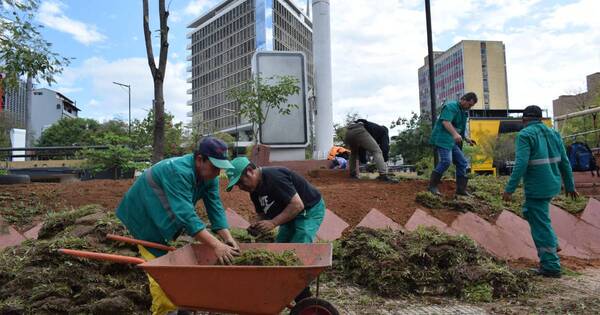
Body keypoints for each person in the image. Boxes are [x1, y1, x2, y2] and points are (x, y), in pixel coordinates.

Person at [115, 137, 240, 315]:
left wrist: (227, 239)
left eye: (220, 167)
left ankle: (179, 305)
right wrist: (215, 245)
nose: (218, 172)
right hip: (143, 217)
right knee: (161, 271)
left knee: (173, 264)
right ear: (199, 159)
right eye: (214, 166)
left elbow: (215, 208)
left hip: (162, 216)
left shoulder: (209, 176)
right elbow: (186, 215)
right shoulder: (178, 171)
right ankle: (165, 311)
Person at [225, 156, 325, 302]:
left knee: (299, 244)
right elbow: (262, 214)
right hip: (289, 214)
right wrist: (256, 225)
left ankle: (302, 293)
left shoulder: (274, 177)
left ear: (249, 171)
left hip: (308, 210)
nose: (240, 187)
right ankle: (284, 285)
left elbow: (298, 205)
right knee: (279, 248)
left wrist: (272, 223)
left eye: (240, 182)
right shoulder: (254, 191)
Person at [502, 105, 578, 278]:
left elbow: (521, 164)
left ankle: (551, 266)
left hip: (537, 186)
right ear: (541, 118)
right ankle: (552, 242)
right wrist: (570, 185)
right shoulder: (553, 134)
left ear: (523, 120)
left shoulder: (525, 135)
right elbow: (565, 162)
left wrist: (509, 189)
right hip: (552, 183)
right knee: (532, 213)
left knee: (540, 223)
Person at [428, 92, 478, 196]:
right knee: (446, 161)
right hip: (442, 138)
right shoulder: (451, 107)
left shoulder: (463, 111)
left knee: (462, 162)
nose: (469, 107)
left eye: (471, 106)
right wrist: (455, 134)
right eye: (469, 105)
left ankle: (461, 190)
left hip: (451, 140)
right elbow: (446, 122)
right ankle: (432, 186)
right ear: (463, 99)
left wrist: (466, 139)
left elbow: (459, 128)